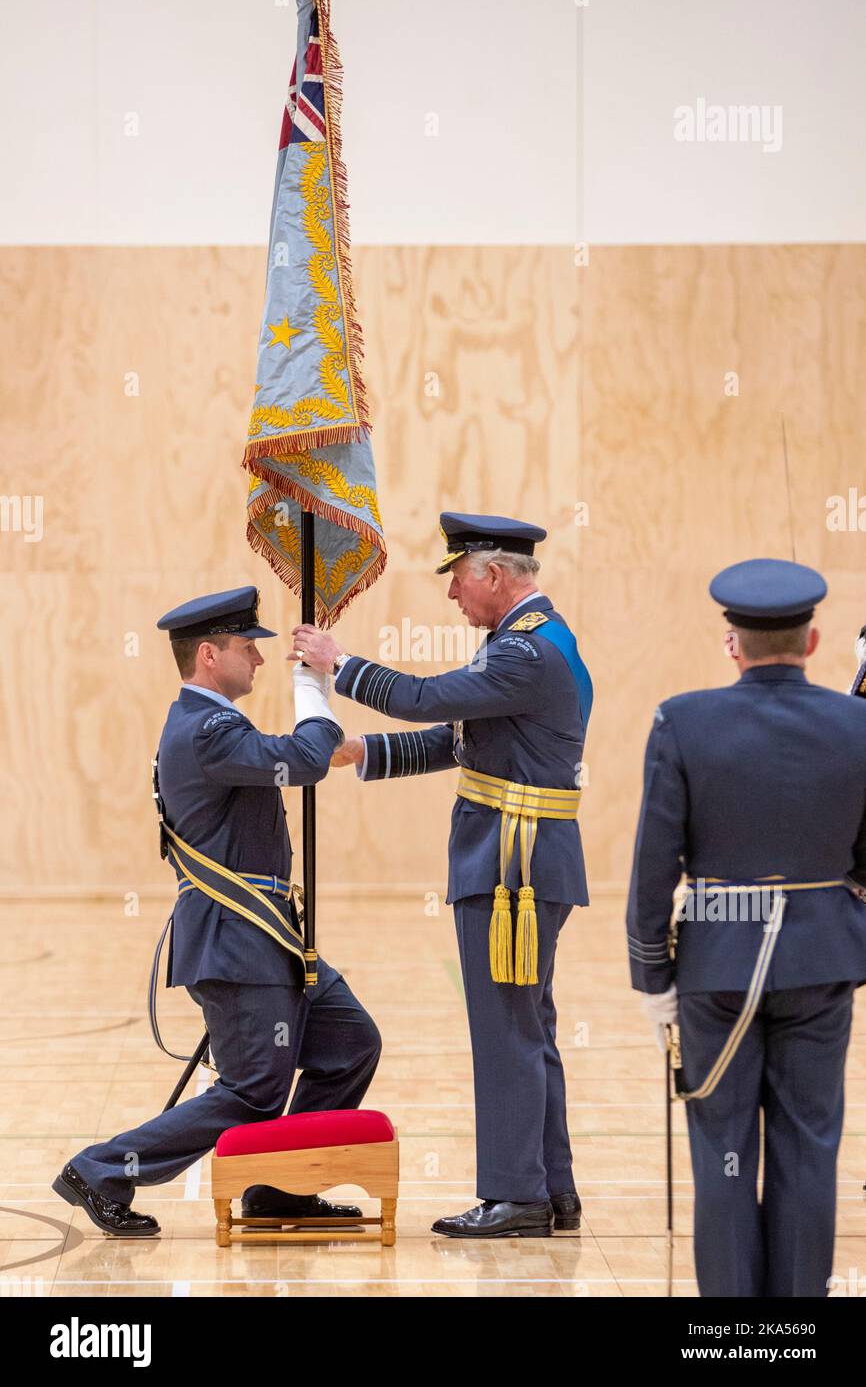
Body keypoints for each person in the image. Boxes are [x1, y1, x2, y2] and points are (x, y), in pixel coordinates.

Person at [292, 513, 592, 1238]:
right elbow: (460, 738)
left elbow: (428, 700)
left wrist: (340, 664)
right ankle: (549, 1188)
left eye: (458, 578)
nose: (453, 595)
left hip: (509, 869)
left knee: (505, 1031)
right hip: (517, 862)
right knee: (528, 1028)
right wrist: (364, 753)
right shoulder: (534, 644)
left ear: (493, 575)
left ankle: (515, 1195)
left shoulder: (525, 653)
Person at [53, 585, 381, 1236]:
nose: (260, 660)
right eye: (247, 648)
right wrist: (313, 691)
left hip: (266, 940)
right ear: (209, 655)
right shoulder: (206, 730)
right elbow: (304, 761)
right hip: (237, 943)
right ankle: (103, 1169)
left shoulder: (207, 725)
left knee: (348, 1043)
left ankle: (281, 1188)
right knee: (254, 1090)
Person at [627, 557, 866, 1296]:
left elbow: (653, 864)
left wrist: (650, 974)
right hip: (821, 962)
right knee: (808, 1150)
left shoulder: (682, 720)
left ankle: (735, 1336)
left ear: (732, 641)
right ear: (815, 641)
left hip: (716, 966)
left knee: (723, 1150)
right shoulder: (858, 724)